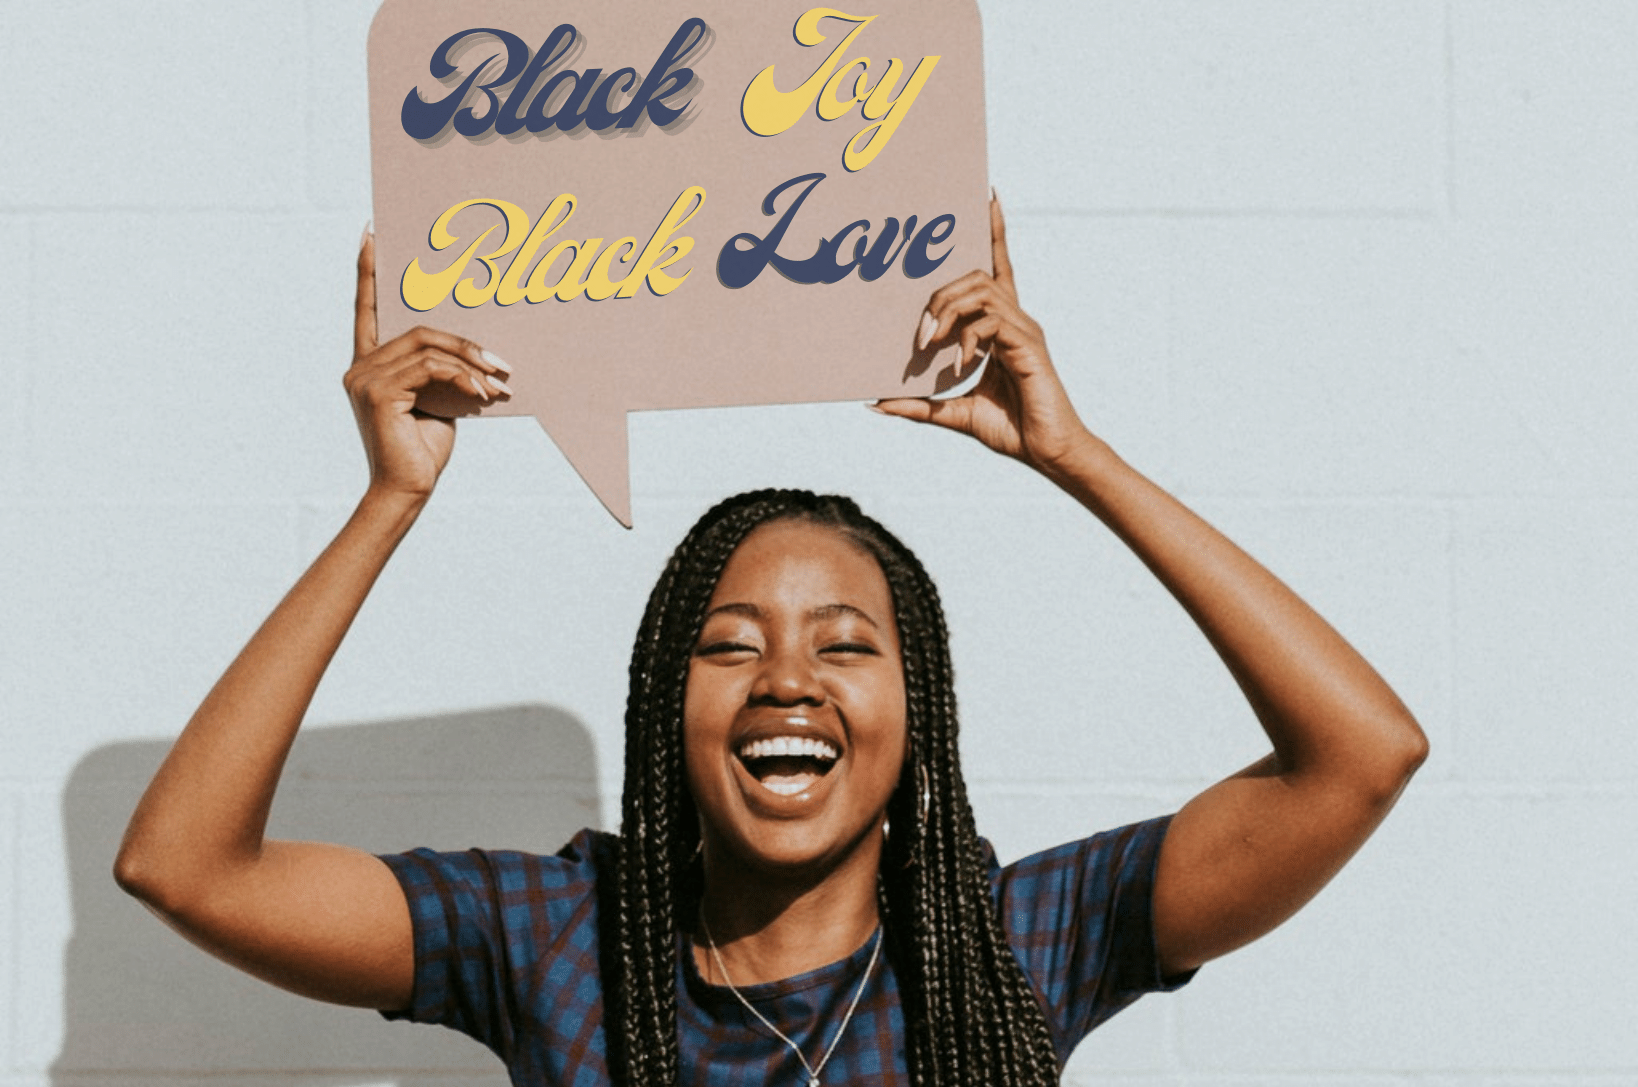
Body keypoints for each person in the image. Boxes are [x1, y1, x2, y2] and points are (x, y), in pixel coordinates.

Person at [114, 193, 1428, 1085]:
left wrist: (1075, 458)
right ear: (661, 703)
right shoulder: (555, 936)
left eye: (846, 646)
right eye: (729, 644)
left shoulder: (1015, 940)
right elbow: (185, 866)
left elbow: (1360, 756)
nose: (786, 680)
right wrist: (390, 499)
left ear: (921, 711)